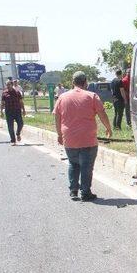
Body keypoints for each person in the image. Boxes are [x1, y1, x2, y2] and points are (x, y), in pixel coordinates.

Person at [54, 71, 112, 201]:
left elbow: (57, 117)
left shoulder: (62, 97)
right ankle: (85, 192)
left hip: (69, 138)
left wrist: (59, 134)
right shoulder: (92, 96)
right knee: (86, 166)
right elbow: (102, 114)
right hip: (88, 138)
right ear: (85, 82)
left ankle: (73, 191)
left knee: (73, 164)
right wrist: (108, 128)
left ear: (72, 82)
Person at [0, 80, 26, 145]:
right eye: (7, 85)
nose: (8, 86)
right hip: (9, 112)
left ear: (12, 85)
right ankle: (13, 140)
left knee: (21, 123)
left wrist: (23, 110)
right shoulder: (4, 93)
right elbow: (2, 103)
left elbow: (21, 102)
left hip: (17, 111)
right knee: (10, 127)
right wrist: (1, 112)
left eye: (9, 84)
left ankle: (18, 133)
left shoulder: (17, 93)